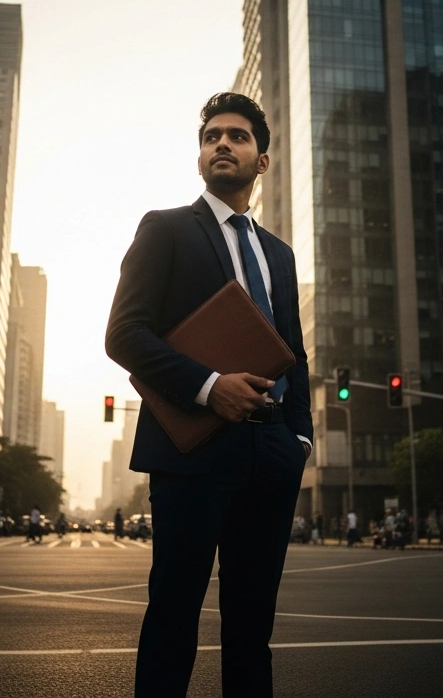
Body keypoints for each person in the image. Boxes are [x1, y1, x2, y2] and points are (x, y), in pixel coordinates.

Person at [105, 92, 313, 697]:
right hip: (192, 451)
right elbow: (124, 334)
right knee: (173, 618)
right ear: (200, 157)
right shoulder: (166, 228)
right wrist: (209, 387)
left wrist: (299, 440)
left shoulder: (279, 254)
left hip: (271, 453)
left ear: (261, 160)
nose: (223, 143)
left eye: (238, 136)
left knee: (252, 629)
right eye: (212, 136)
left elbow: (294, 353)